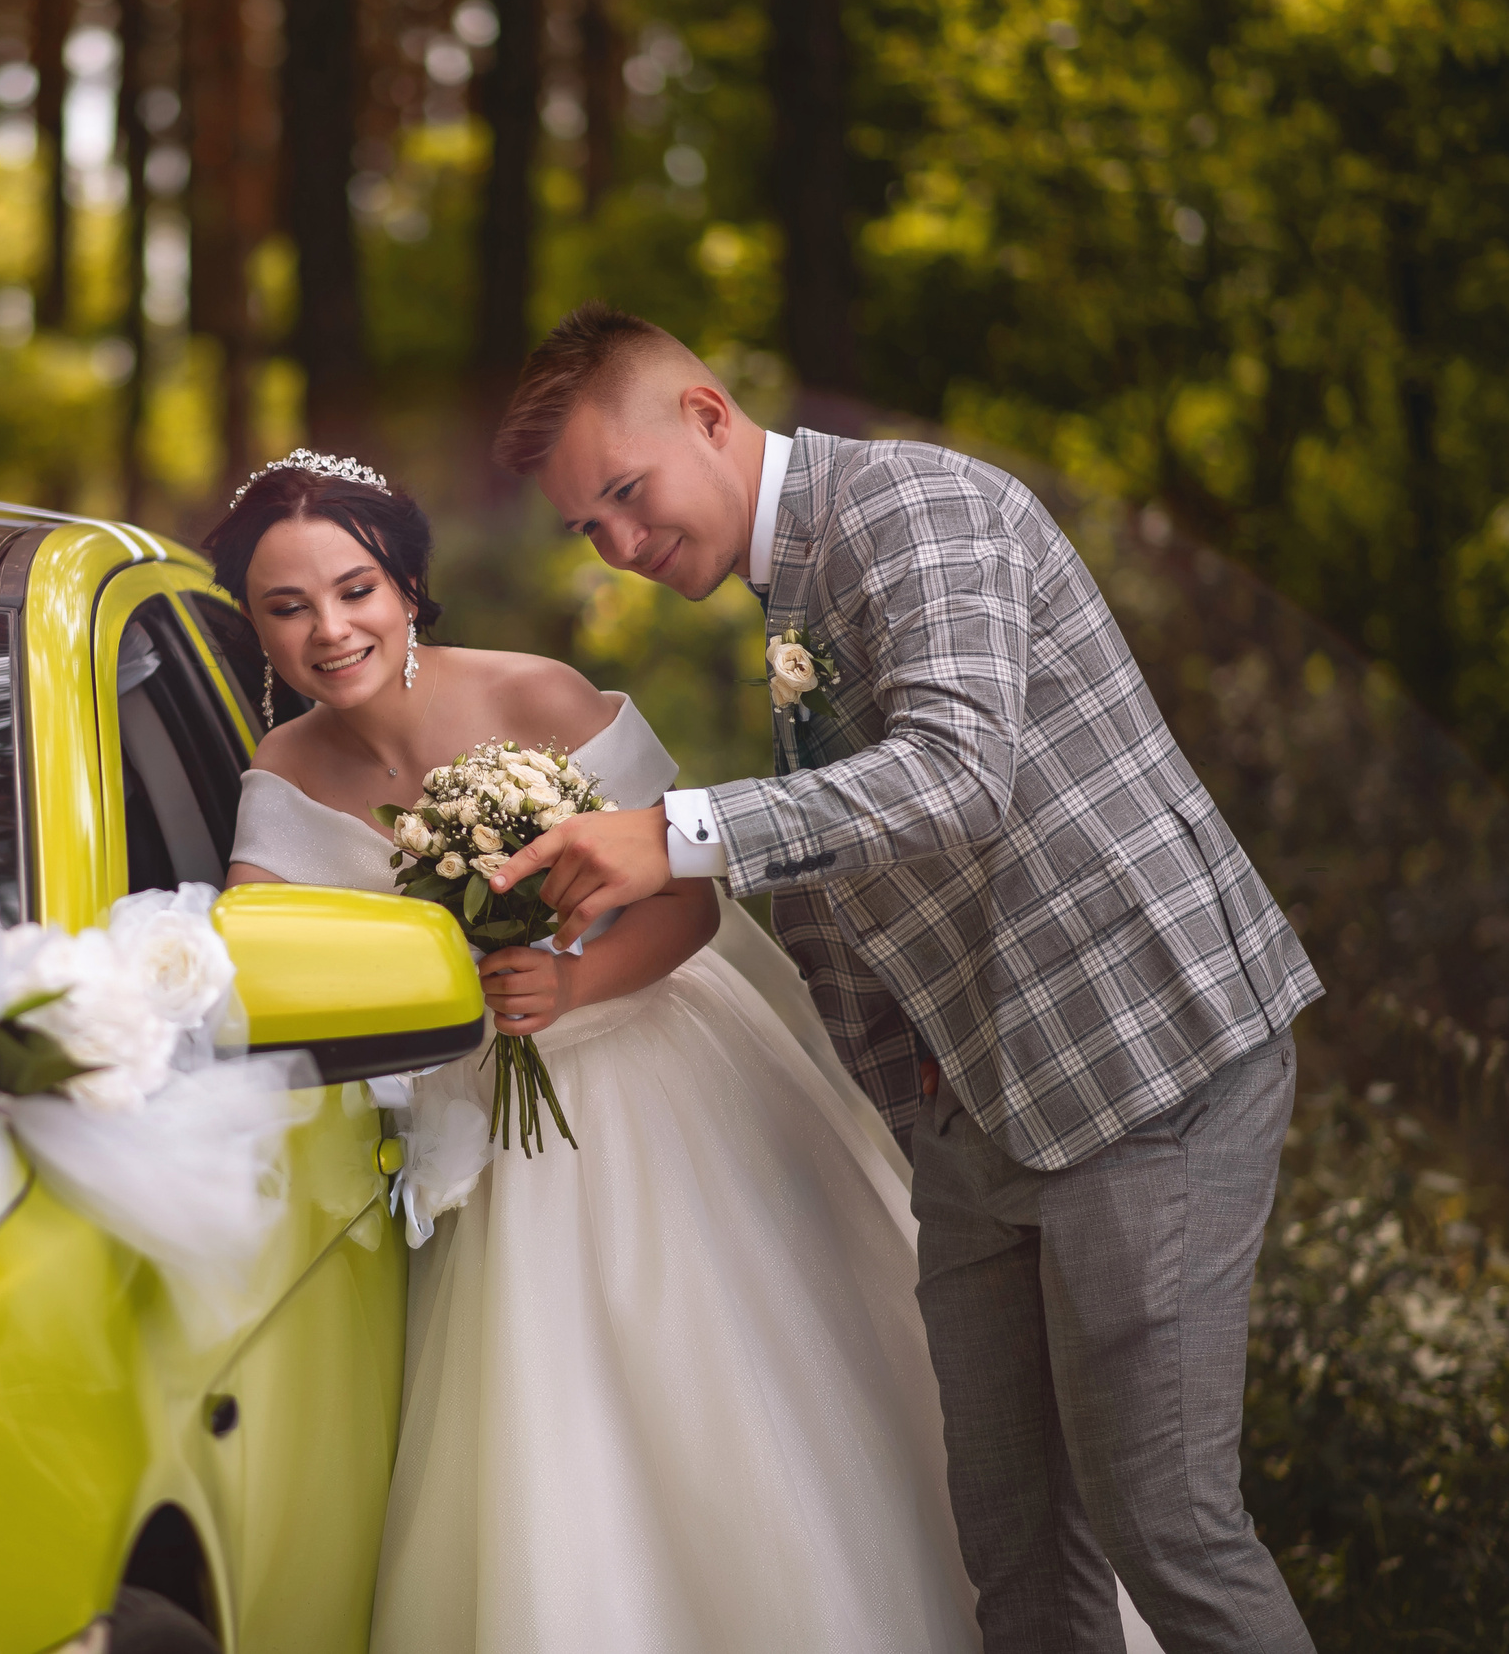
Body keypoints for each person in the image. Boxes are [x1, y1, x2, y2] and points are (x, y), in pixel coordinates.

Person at [485, 302, 1322, 1654]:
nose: (626, 547)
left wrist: (674, 831)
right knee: (1014, 1552)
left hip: (1140, 1063)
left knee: (1166, 1522)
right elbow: (847, 879)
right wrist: (913, 1092)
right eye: (593, 528)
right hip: (980, 1109)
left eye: (628, 496)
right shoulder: (790, 594)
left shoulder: (914, 507)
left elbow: (954, 774)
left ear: (706, 412)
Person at [211, 448, 983, 1652]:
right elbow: (249, 945)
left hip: (644, 1075)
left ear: (408, 587)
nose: (329, 630)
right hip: (472, 1136)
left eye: (354, 589)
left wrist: (565, 984)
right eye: (287, 607)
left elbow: (688, 903)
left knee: (729, 1406)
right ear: (255, 627)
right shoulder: (284, 768)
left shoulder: (539, 700)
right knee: (535, 1444)